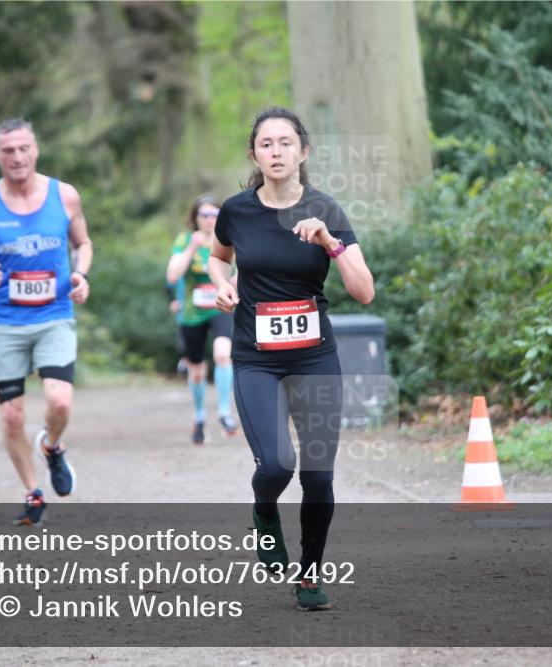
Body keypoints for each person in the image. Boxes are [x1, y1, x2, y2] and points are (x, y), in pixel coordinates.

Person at [208, 107, 374, 610]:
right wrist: (223, 286)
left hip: (314, 357)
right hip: (256, 358)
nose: (276, 152)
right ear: (254, 153)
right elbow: (218, 257)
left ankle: (309, 575)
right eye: (266, 144)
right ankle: (264, 512)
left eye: (285, 143)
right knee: (278, 464)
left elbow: (364, 292)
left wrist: (329, 243)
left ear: (304, 151)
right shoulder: (236, 211)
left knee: (318, 474)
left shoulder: (328, 209)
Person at [0, 118, 92, 526]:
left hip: (54, 317)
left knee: (60, 400)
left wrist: (81, 275)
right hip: (4, 323)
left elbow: (83, 243)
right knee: (10, 416)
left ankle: (52, 444)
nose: (16, 157)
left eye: (23, 148)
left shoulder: (64, 196)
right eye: (7, 150)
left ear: (35, 150)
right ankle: (33, 493)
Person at [166, 195, 238, 444]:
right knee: (196, 370)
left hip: (222, 308)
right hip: (192, 313)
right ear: (195, 218)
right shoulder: (186, 240)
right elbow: (173, 275)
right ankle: (199, 418)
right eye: (204, 215)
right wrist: (192, 248)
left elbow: (242, 269)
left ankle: (225, 413)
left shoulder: (228, 238)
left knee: (222, 354)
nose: (209, 220)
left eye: (215, 215)